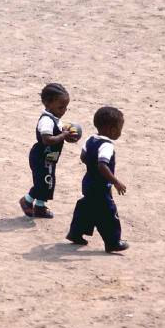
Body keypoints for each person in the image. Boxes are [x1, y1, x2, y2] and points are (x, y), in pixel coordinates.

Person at [66, 106, 129, 252]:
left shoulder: (90, 139)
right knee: (108, 213)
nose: (120, 132)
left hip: (88, 182)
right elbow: (102, 166)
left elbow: (83, 157)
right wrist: (116, 181)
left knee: (86, 207)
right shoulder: (107, 145)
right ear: (111, 129)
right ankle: (113, 242)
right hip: (100, 187)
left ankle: (75, 233)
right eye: (119, 128)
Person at [19, 83, 77, 218]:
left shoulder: (55, 119)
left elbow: (58, 134)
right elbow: (47, 140)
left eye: (66, 108)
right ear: (47, 104)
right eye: (60, 107)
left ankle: (40, 207)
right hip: (40, 157)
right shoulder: (46, 120)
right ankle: (26, 201)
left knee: (48, 181)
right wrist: (63, 136)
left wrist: (66, 135)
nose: (63, 110)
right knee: (42, 183)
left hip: (50, 157)